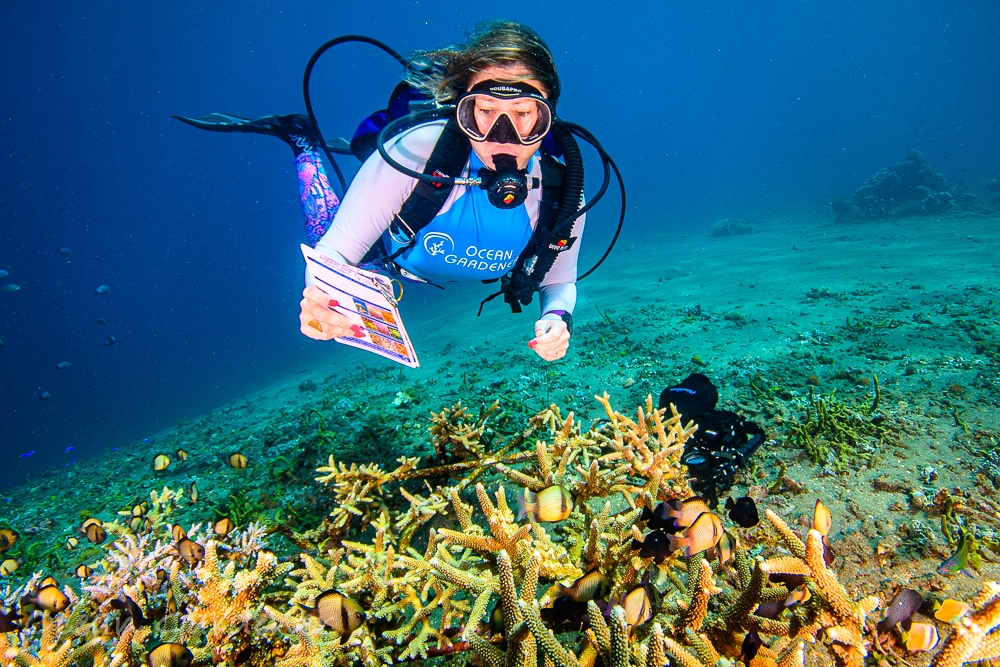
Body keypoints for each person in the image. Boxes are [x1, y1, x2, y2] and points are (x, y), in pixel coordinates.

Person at [175, 21, 584, 362]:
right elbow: (335, 251)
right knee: (322, 225)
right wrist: (322, 300)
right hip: (389, 267)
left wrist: (557, 319)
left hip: (426, 265)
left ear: (548, 116)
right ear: (463, 111)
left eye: (525, 114)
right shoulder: (412, 153)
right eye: (485, 112)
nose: (503, 137)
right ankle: (303, 141)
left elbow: (560, 281)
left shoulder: (565, 190)